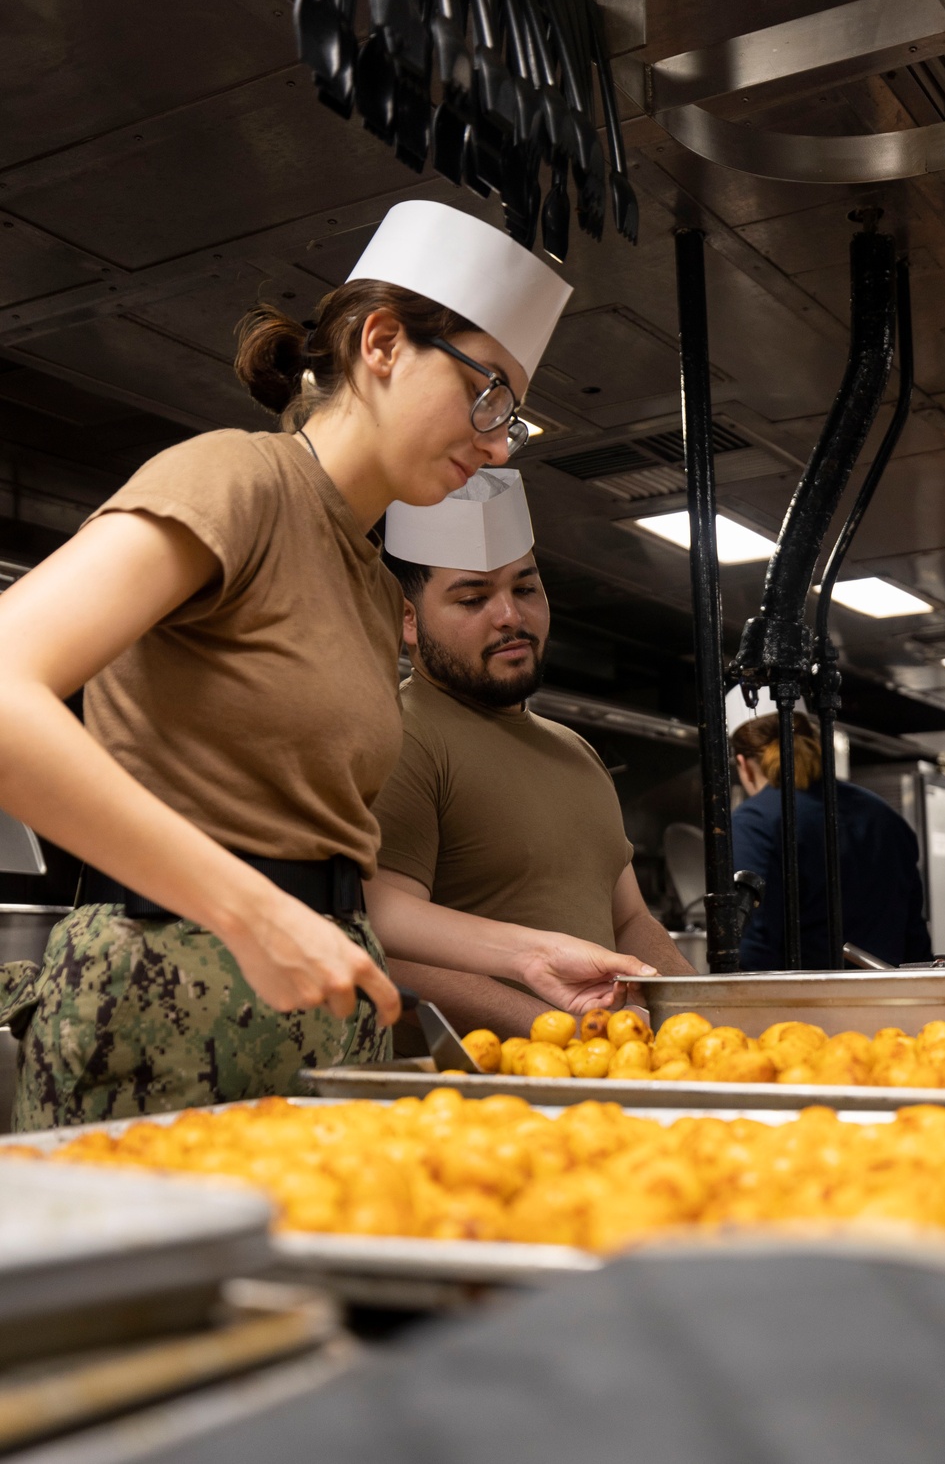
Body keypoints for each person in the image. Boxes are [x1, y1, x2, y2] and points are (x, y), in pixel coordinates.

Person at [0, 200, 652, 1130]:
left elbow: (332, 862)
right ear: (383, 343)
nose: (500, 440)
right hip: (164, 991)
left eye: (511, 409)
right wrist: (253, 912)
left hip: (316, 1013)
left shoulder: (364, 578)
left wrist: (522, 955)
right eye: (486, 392)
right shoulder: (239, 479)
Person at [368, 471, 694, 1039]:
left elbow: (630, 922)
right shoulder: (400, 736)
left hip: (596, 1080)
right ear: (408, 619)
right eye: (473, 598)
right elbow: (383, 946)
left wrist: (711, 1021)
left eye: (525, 589)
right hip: (468, 1100)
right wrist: (560, 1035)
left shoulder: (577, 751)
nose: (510, 617)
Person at [727, 689, 932, 970]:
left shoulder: (753, 822)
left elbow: (752, 943)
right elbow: (915, 936)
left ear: (743, 766)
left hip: (809, 1007)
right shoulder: (883, 814)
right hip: (894, 1000)